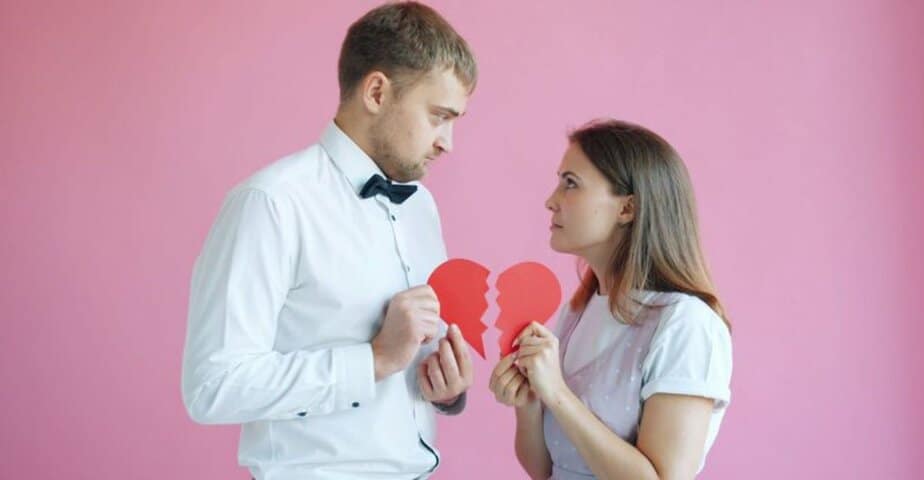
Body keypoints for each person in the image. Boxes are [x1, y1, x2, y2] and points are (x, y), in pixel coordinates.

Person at [181, 3, 477, 479]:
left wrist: (446, 390)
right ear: (377, 92)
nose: (448, 142)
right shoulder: (272, 203)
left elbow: (408, 371)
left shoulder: (420, 206)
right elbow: (212, 387)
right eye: (438, 116)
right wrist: (374, 360)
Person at [489, 119, 733, 479]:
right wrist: (528, 403)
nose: (551, 201)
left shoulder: (687, 325)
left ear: (627, 209)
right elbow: (544, 469)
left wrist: (556, 393)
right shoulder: (577, 312)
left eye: (571, 183)